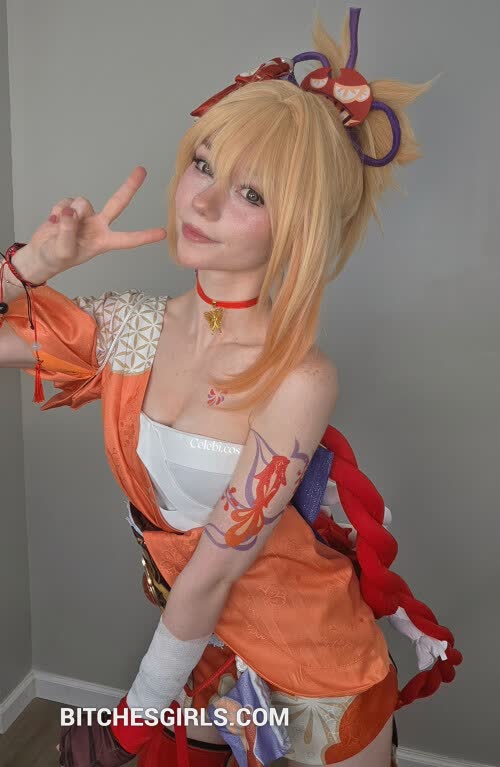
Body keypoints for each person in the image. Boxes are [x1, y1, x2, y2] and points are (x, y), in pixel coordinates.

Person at [0, 7, 462, 767]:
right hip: (207, 658)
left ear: (297, 225)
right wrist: (32, 266)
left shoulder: (299, 377)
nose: (203, 201)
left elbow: (215, 569)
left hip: (317, 676)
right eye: (204, 164)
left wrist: (127, 727)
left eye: (253, 194)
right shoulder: (127, 330)